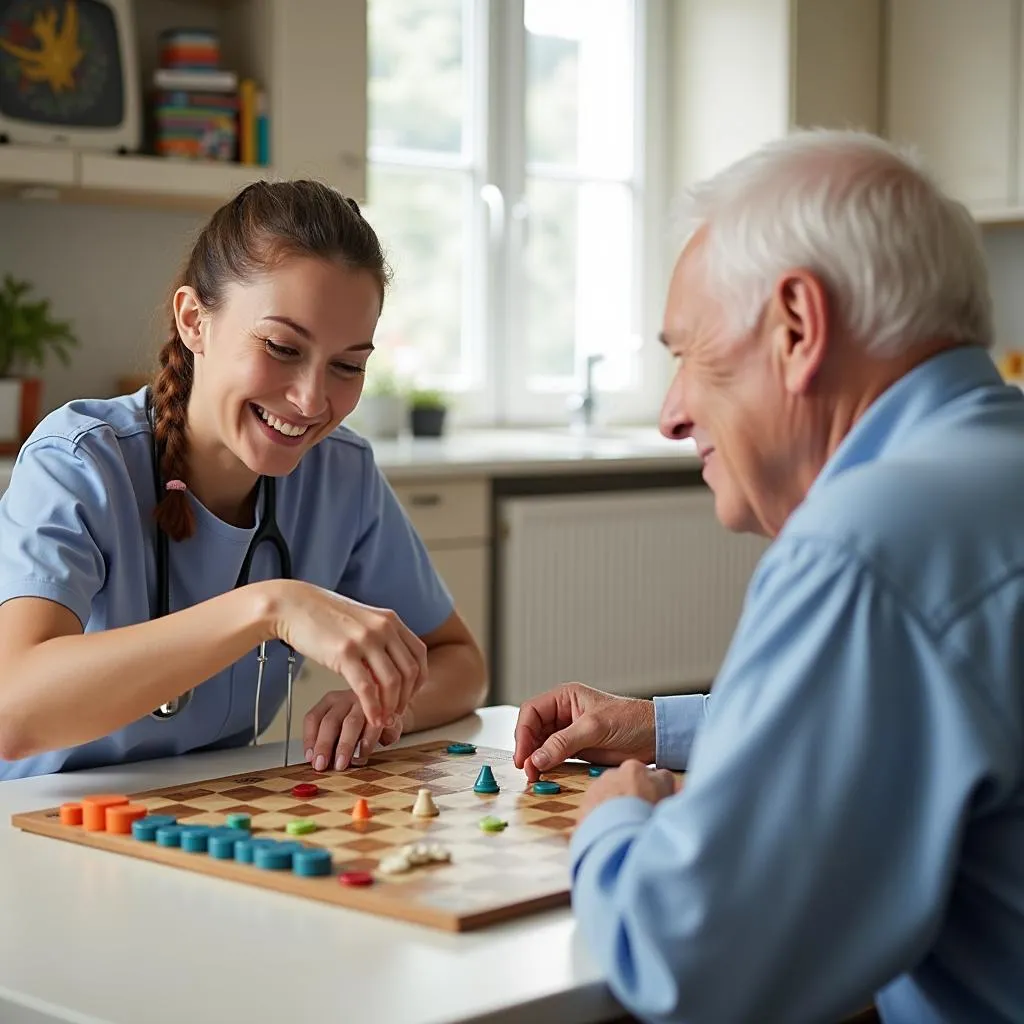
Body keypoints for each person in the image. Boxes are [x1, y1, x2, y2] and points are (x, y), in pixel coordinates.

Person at [514, 130, 1024, 1024]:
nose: (672, 414)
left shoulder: (868, 544)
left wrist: (614, 822)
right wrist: (655, 727)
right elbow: (923, 718)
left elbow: (693, 966)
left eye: (688, 352)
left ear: (797, 326)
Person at [0, 179, 486, 782]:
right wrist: (270, 607)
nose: (312, 400)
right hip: (40, 824)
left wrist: (387, 708)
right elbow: (14, 713)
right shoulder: (78, 462)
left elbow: (460, 661)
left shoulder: (341, 474)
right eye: (282, 347)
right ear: (194, 321)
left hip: (214, 812)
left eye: (347, 366)